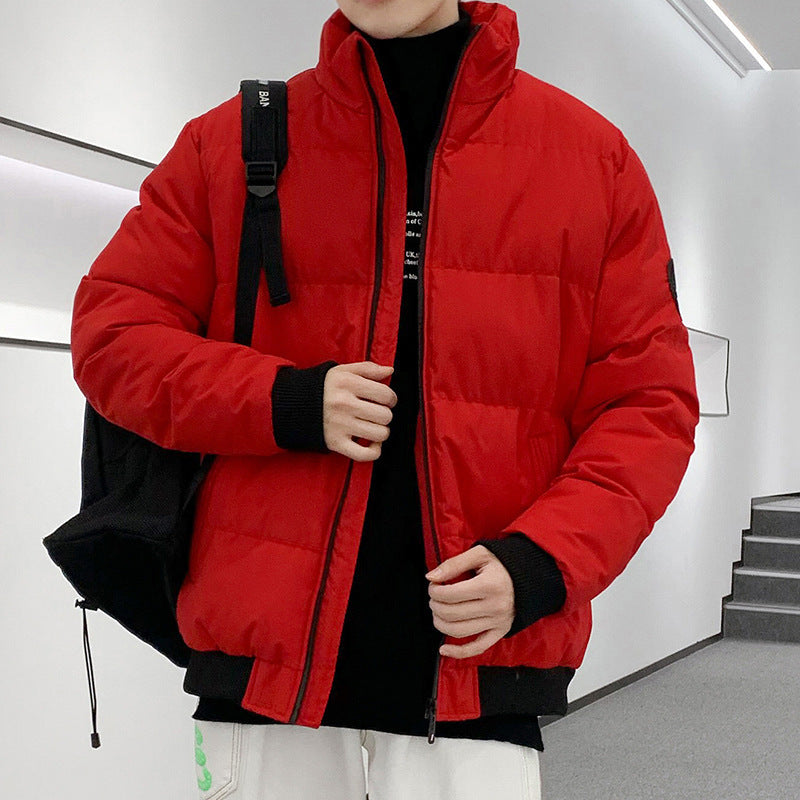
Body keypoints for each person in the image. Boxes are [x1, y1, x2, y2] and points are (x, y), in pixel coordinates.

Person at [69, 1, 699, 798]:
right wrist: (284, 400)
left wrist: (544, 562)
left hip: (478, 674)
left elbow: (649, 405)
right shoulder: (229, 142)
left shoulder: (592, 159)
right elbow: (112, 334)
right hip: (266, 678)